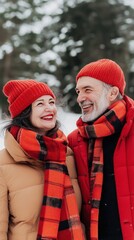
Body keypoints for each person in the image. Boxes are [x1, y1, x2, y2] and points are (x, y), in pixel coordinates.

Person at [0, 79, 85, 240]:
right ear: (24, 112)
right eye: (40, 104)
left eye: (51, 102)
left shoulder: (67, 155)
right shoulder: (3, 164)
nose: (50, 109)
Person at [67, 58, 134, 240]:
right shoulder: (75, 140)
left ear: (112, 93)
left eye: (88, 90)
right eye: (78, 91)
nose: (80, 98)